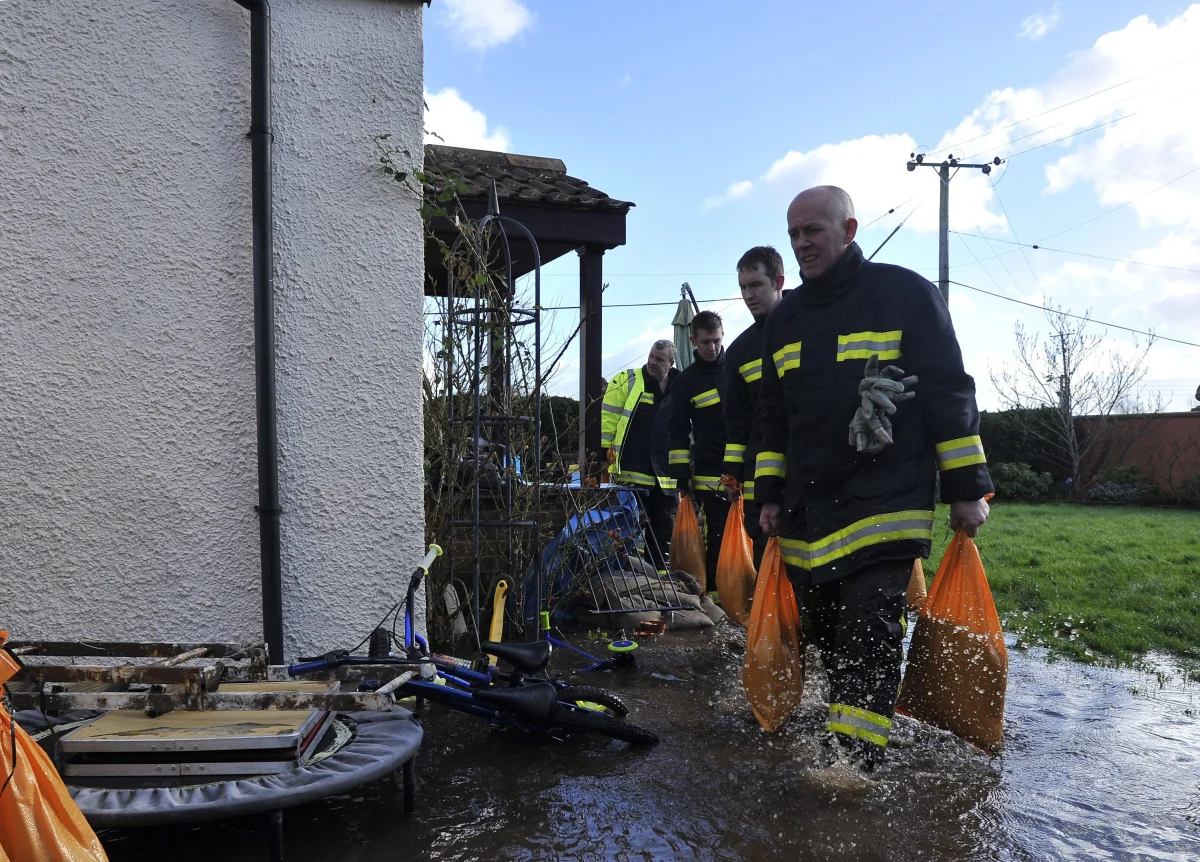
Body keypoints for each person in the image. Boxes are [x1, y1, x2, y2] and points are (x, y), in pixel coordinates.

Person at [755, 185, 994, 771]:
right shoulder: (784, 321)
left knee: (868, 627)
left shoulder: (905, 295)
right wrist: (767, 497)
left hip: (887, 501)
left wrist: (966, 487)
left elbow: (948, 392)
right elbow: (772, 419)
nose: (803, 243)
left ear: (850, 229)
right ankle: (855, 733)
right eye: (794, 234)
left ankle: (851, 764)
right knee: (829, 632)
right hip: (812, 513)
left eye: (813, 230)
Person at [722, 246, 787, 567]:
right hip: (761, 470)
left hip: (812, 466)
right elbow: (737, 423)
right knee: (766, 552)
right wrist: (734, 475)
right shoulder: (739, 352)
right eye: (743, 287)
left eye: (756, 285)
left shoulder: (809, 325)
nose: (748, 295)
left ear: (779, 281)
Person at [601, 340, 681, 569]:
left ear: (671, 363)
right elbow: (607, 422)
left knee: (662, 534)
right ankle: (622, 580)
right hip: (631, 473)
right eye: (651, 356)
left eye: (659, 359)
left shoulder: (681, 385)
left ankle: (659, 583)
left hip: (665, 477)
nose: (652, 362)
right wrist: (601, 459)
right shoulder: (627, 381)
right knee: (624, 532)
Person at [668, 310, 730, 592]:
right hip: (710, 471)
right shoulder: (686, 381)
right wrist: (682, 476)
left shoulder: (738, 366)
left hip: (749, 466)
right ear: (693, 340)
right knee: (718, 533)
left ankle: (747, 591)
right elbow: (677, 430)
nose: (712, 348)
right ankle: (718, 594)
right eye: (705, 342)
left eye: (716, 340)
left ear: (723, 335)